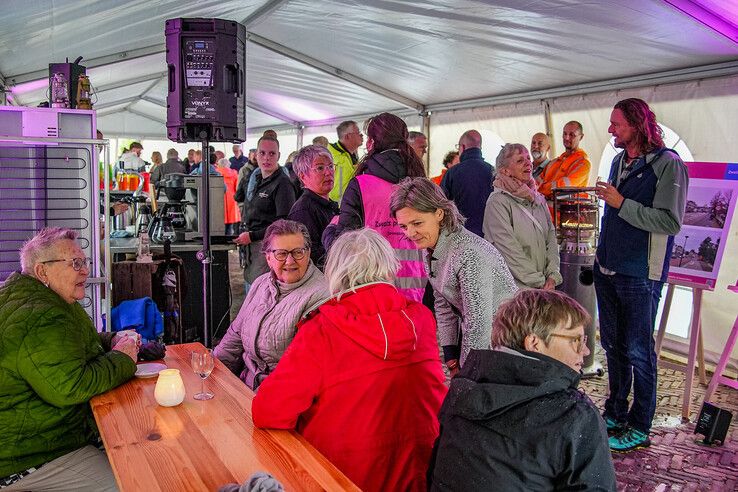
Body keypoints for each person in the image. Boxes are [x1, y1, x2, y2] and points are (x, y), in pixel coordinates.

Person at [252, 228, 446, 491]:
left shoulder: (322, 328)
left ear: (337, 272)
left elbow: (269, 411)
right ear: (389, 266)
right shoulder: (421, 319)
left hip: (340, 477)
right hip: (420, 473)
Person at [428, 289, 617, 491]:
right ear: (534, 343)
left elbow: (434, 472)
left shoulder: (465, 385)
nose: (586, 351)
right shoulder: (575, 414)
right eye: (576, 341)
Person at [0, 228, 139, 491]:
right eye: (75, 263)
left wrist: (112, 339)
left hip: (33, 436)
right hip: (27, 454)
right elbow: (71, 385)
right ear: (42, 272)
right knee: (128, 483)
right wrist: (123, 358)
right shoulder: (41, 316)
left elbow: (68, 346)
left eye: (84, 262)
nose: (85, 271)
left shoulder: (33, 299)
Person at [594, 98, 688, 452]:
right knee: (613, 346)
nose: (611, 130)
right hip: (607, 267)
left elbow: (670, 221)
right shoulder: (620, 160)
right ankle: (615, 412)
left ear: (636, 124)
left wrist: (621, 204)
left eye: (616, 124)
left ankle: (640, 424)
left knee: (638, 350)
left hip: (640, 274)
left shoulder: (669, 166)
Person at [390, 177, 517, 371]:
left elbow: (479, 324)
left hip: (506, 343)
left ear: (439, 213)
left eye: (417, 223)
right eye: (404, 226)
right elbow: (442, 303)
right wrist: (450, 356)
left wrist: (467, 377)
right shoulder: (432, 247)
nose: (410, 233)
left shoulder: (468, 252)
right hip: (486, 344)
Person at [323, 112, 427, 303]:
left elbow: (345, 246)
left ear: (371, 142)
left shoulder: (361, 185)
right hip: (416, 286)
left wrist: (329, 231)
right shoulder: (420, 182)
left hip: (371, 287)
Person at [214, 220, 328, 390]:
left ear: (308, 252)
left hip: (283, 396)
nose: (290, 261)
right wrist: (212, 372)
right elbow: (235, 335)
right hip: (247, 384)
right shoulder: (261, 283)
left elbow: (304, 372)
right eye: (281, 254)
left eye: (298, 252)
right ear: (268, 258)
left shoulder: (321, 295)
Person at [483, 144, 562, 290]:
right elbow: (508, 250)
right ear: (505, 171)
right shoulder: (498, 202)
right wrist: (539, 282)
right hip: (515, 292)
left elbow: (551, 237)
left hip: (544, 288)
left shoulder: (538, 199)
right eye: (520, 161)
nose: (528, 163)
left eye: (528, 158)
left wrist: (552, 274)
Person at [234, 136, 296, 291]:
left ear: (279, 156)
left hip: (268, 247)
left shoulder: (283, 183)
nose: (266, 158)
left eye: (271, 154)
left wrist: (253, 236)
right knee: (251, 287)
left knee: (260, 292)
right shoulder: (257, 179)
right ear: (256, 155)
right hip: (252, 247)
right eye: (262, 153)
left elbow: (283, 223)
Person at [287, 145, 339, 269]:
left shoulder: (329, 205)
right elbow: (310, 258)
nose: (328, 172)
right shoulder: (303, 211)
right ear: (303, 176)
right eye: (320, 168)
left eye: (331, 166)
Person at [441, 130, 495, 237]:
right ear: (480, 147)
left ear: (463, 147)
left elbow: (441, 203)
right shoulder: (493, 171)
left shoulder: (452, 173)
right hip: (490, 236)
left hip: (460, 235)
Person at [537, 121, 591, 203]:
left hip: (567, 215)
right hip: (546, 213)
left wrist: (542, 189)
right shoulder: (554, 162)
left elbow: (563, 187)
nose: (567, 138)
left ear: (581, 137)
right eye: (564, 134)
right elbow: (536, 183)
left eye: (572, 135)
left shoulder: (583, 163)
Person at [327, 120, 363, 202]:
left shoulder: (350, 156)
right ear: (347, 136)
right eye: (358, 132)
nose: (361, 135)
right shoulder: (332, 157)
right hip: (336, 208)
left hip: (349, 206)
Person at [216, 157, 242, 236]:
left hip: (219, 199)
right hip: (231, 200)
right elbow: (237, 188)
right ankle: (228, 242)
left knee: (218, 224)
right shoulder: (234, 174)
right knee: (230, 225)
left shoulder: (216, 173)